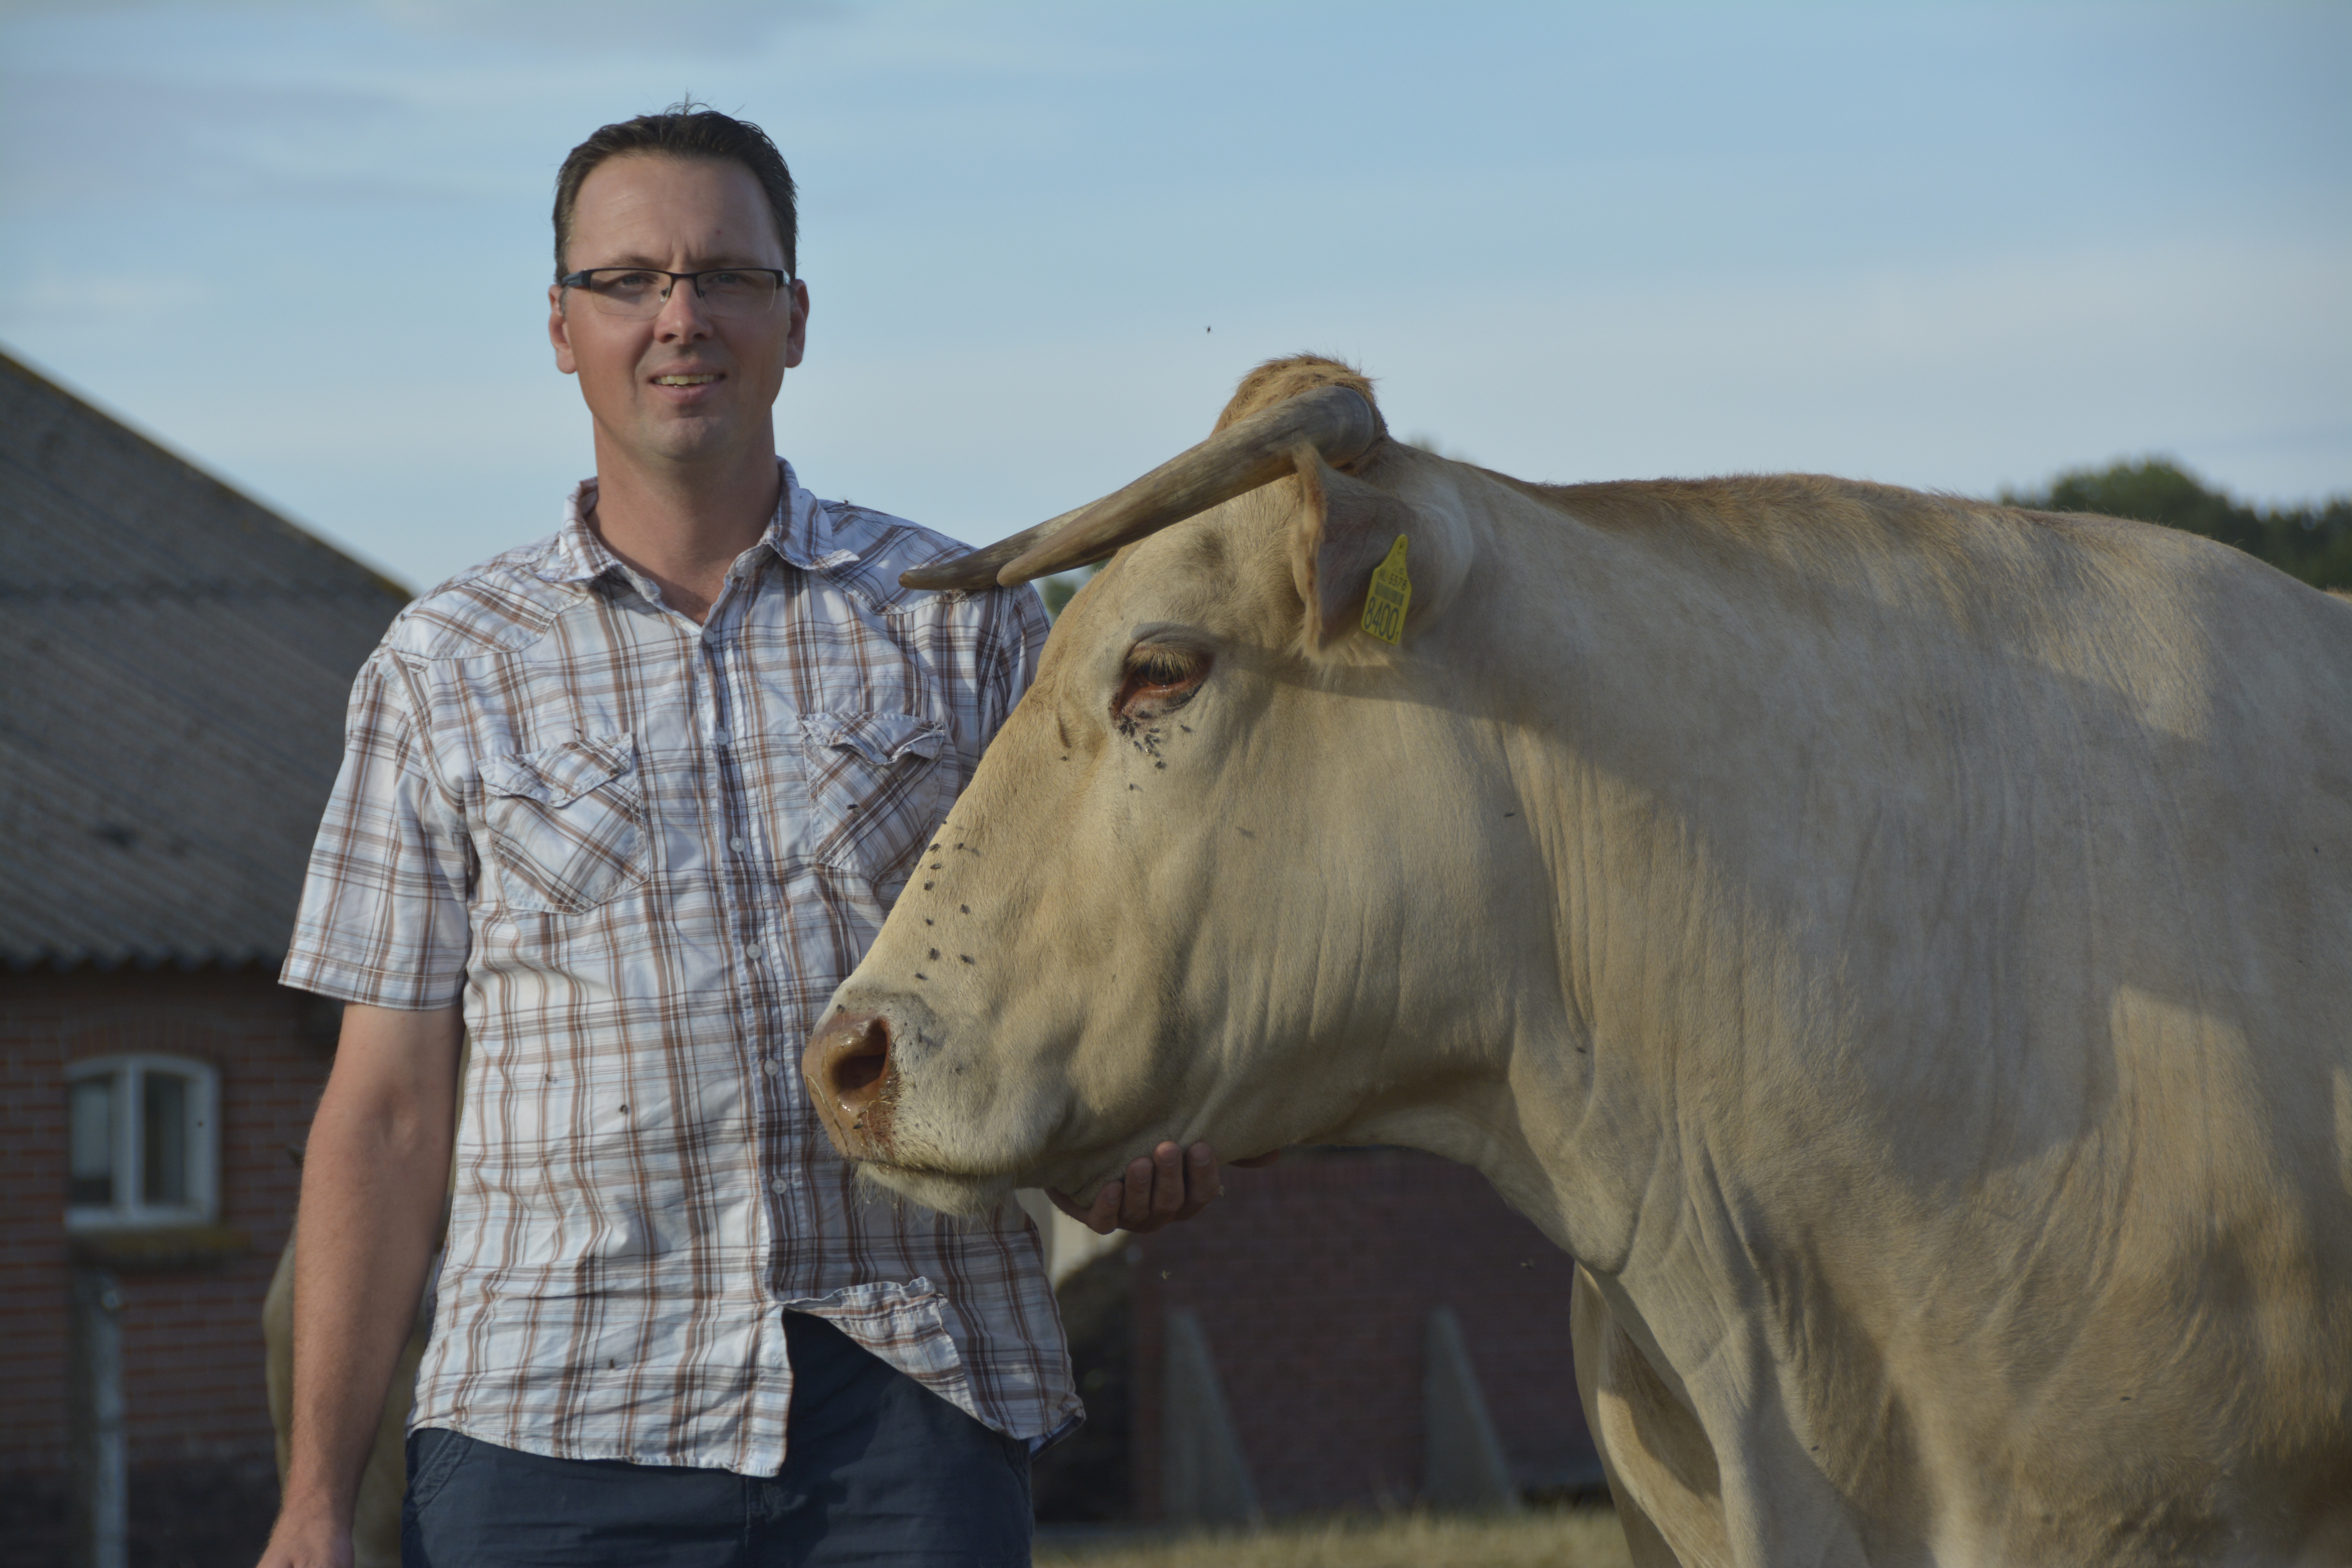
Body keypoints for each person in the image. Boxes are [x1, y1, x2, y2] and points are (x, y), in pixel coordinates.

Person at [258, 105, 1246, 1568]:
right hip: (549, 1428)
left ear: (795, 317)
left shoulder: (959, 622)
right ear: (559, 326)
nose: (680, 317)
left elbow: (1061, 987)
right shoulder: (441, 667)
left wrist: (1110, 1152)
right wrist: (316, 1507)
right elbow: (390, 1112)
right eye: (630, 280)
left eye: (725, 275)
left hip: (909, 1413)